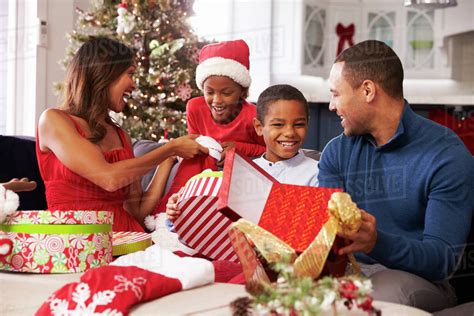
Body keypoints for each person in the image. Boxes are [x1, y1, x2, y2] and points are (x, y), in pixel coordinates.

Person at [318, 40, 474, 312]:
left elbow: (442, 261)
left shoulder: (447, 156)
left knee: (377, 294)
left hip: (421, 280)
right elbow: (327, 234)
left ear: (367, 90)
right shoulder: (336, 152)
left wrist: (377, 242)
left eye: (336, 94)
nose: (331, 106)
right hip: (349, 272)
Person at [36, 37, 208, 232]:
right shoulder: (54, 120)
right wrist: (170, 148)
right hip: (76, 246)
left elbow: (138, 211)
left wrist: (168, 158)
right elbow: (108, 178)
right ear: (105, 73)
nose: (134, 85)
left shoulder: (120, 135)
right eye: (130, 74)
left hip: (129, 241)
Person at [167, 84, 319, 221]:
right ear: (259, 127)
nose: (289, 133)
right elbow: (213, 213)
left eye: (299, 124)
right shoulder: (242, 171)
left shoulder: (317, 173)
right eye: (278, 124)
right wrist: (180, 205)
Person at [187, 39, 266, 162]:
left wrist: (238, 148)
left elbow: (270, 151)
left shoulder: (253, 115)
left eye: (226, 93)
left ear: (242, 92)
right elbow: (193, 143)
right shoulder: (195, 107)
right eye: (209, 92)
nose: (217, 100)